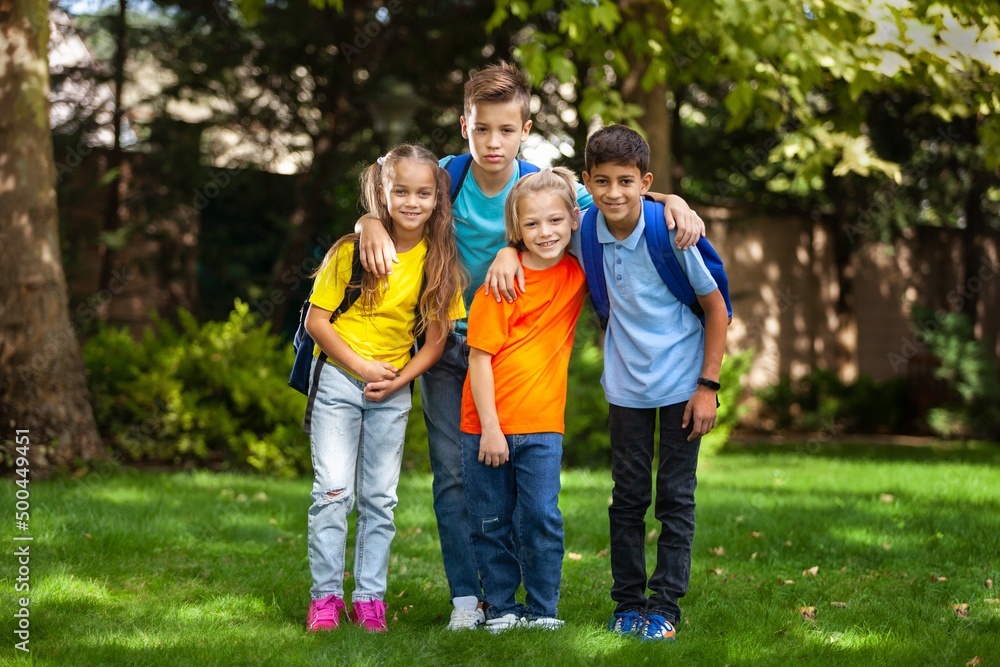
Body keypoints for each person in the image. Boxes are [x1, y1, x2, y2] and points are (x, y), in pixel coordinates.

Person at [356, 61, 706, 631]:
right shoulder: (447, 175)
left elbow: (618, 196)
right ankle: (469, 600)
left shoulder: (544, 188)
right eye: (482, 129)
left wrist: (671, 201)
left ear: (525, 129)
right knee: (454, 476)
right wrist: (370, 221)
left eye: (507, 130)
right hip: (447, 345)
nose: (494, 143)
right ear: (464, 125)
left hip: (514, 354)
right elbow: (391, 185)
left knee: (522, 492)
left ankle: (523, 601)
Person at [303, 144, 465, 634]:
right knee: (333, 493)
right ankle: (326, 599)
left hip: (392, 391)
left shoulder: (439, 262)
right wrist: (360, 366)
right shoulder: (351, 252)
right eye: (400, 191)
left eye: (423, 192)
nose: (411, 201)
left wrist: (400, 378)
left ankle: (369, 600)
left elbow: (437, 341)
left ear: (437, 198)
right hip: (337, 381)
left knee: (380, 499)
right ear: (383, 192)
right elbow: (316, 321)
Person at [580, 125, 728, 642]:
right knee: (627, 499)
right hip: (626, 389)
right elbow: (535, 199)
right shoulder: (582, 228)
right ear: (588, 181)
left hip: (686, 386)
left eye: (627, 181)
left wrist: (708, 385)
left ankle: (665, 606)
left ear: (644, 182)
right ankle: (627, 604)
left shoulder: (673, 232)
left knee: (675, 499)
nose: (614, 193)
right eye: (602, 182)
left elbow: (716, 309)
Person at [460, 168, 586, 634]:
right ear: (516, 230)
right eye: (531, 225)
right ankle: (502, 609)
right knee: (490, 520)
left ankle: (543, 610)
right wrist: (491, 427)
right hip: (484, 425)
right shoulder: (499, 284)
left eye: (555, 220)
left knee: (540, 517)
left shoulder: (577, 273)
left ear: (573, 220)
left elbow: (622, 204)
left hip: (543, 424)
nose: (545, 232)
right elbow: (478, 359)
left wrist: (673, 201)